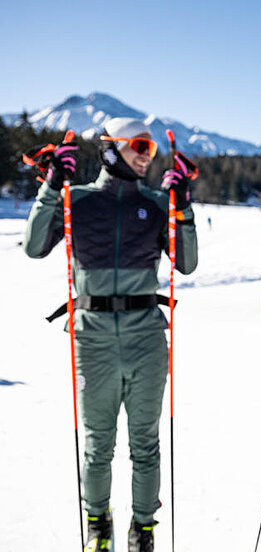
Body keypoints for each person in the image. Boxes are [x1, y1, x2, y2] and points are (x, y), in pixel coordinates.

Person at [23, 117, 198, 552]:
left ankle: (144, 529)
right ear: (111, 148)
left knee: (146, 444)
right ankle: (98, 523)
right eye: (139, 146)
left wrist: (184, 206)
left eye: (151, 150)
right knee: (98, 444)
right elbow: (33, 245)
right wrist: (52, 184)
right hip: (93, 340)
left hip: (146, 341)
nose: (146, 156)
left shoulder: (158, 203)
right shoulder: (76, 200)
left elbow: (187, 263)